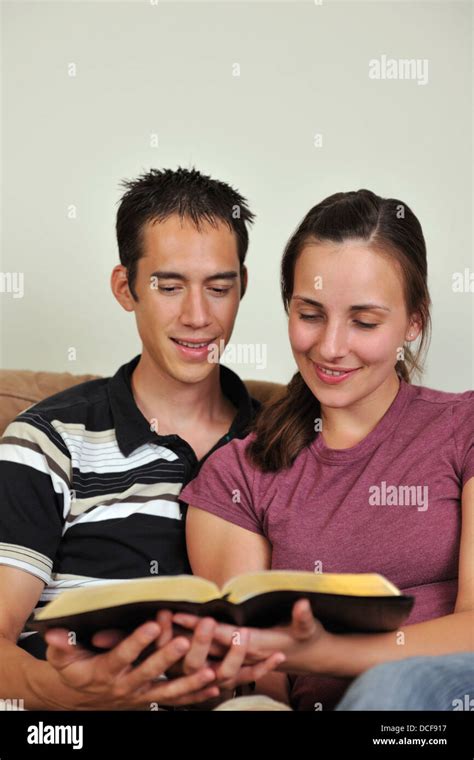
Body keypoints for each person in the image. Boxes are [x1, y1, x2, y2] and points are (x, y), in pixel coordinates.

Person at [179, 189, 474, 710]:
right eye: (311, 314)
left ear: (414, 321)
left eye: (364, 321)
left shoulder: (463, 427)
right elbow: (257, 671)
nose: (331, 347)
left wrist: (325, 653)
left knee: (391, 687)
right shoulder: (238, 475)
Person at [0, 167, 283, 710]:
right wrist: (70, 693)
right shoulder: (47, 441)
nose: (199, 317)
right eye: (169, 286)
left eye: (219, 288)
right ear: (126, 288)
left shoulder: (285, 433)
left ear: (242, 286)